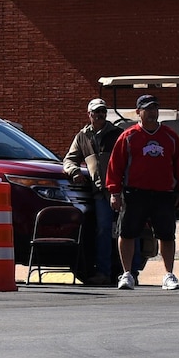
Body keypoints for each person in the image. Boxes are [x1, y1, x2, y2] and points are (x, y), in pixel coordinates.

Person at [108, 94, 179, 291]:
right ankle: (127, 274)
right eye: (147, 109)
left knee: (166, 235)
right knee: (127, 232)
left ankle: (169, 274)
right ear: (138, 112)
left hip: (163, 194)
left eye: (154, 109)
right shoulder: (128, 137)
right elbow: (115, 166)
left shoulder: (169, 136)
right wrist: (114, 192)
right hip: (135, 193)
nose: (152, 113)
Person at [64, 99, 122, 285]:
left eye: (103, 112)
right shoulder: (82, 137)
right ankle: (104, 273)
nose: (100, 115)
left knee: (127, 231)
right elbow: (69, 159)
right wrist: (74, 172)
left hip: (121, 190)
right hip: (99, 192)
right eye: (96, 112)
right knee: (103, 231)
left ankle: (131, 272)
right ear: (89, 114)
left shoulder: (117, 134)